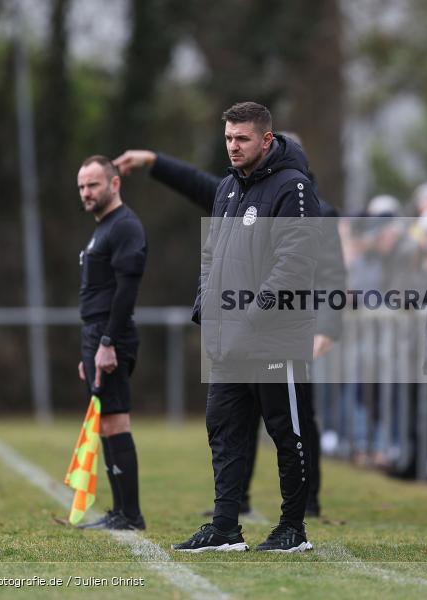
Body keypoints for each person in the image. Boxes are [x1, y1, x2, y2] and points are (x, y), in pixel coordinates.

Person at [118, 102, 319, 553]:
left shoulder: (294, 187)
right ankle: (225, 527)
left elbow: (293, 263)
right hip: (228, 339)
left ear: (266, 139)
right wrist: (206, 307)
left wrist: (253, 315)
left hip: (275, 338)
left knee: (287, 432)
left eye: (242, 138)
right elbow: (211, 256)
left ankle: (292, 529)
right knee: (224, 430)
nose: (233, 146)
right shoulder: (228, 187)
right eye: (228, 138)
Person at [75, 155, 148, 531]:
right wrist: (88, 349)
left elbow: (125, 291)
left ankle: (131, 514)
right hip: (96, 334)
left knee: (116, 420)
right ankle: (120, 511)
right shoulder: (103, 227)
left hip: (110, 334)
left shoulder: (125, 226)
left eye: (93, 185)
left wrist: (107, 342)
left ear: (114, 184)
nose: (86, 192)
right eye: (82, 187)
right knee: (105, 422)